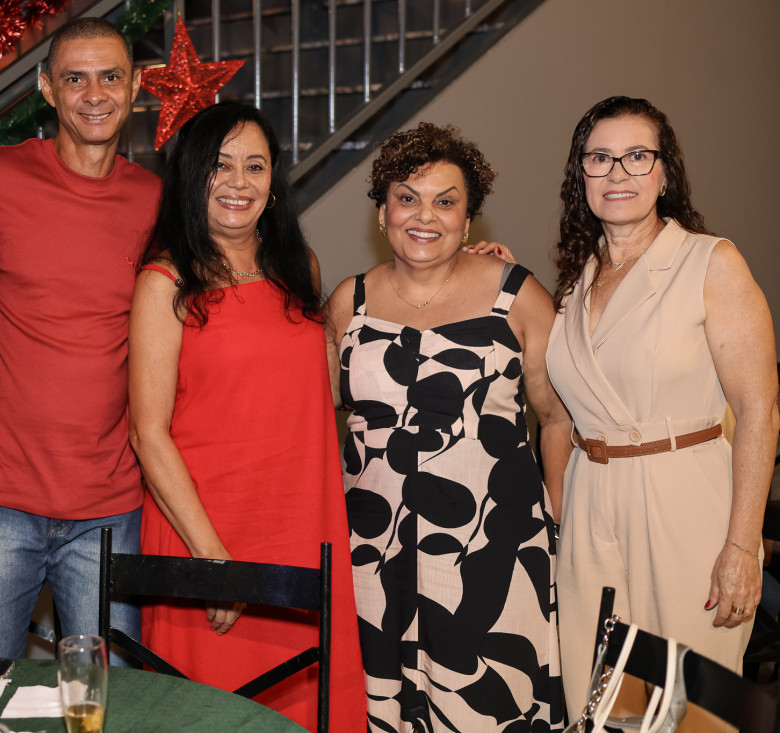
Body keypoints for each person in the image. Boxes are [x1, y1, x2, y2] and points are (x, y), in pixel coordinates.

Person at [128, 101, 367, 731]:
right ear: (191, 176)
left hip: (300, 523)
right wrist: (214, 562)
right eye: (220, 165)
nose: (239, 182)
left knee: (306, 705)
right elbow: (146, 434)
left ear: (273, 179)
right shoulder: (165, 281)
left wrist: (456, 268)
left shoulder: (299, 266)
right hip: (207, 533)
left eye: (254, 166)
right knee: (209, 713)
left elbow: (320, 391)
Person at [326, 122, 571, 732]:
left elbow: (556, 418)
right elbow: (321, 418)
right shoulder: (348, 303)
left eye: (445, 201)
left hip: (492, 551)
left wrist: (557, 524)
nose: (424, 216)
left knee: (484, 705)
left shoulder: (518, 297)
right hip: (372, 552)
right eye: (407, 198)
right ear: (382, 211)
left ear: (468, 218)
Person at [546, 96, 779, 731]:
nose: (617, 172)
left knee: (688, 711)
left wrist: (743, 546)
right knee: (601, 707)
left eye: (636, 156)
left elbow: (759, 410)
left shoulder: (711, 262)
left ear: (665, 172)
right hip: (591, 504)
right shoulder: (575, 282)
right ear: (581, 175)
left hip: (683, 502)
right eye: (600, 158)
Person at [0, 17, 161, 660]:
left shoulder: (156, 201)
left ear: (135, 87)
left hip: (110, 509)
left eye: (110, 77)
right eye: (75, 78)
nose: (94, 94)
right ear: (47, 88)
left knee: (115, 697)